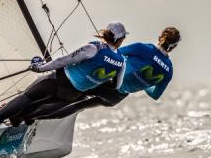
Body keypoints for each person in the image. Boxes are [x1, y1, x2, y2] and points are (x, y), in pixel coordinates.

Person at [0, 21, 129, 128]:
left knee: (28, 97)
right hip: (74, 93)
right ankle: (17, 118)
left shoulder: (94, 47)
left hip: (59, 81)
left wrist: (40, 68)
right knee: (40, 106)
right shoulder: (122, 61)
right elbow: (116, 86)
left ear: (106, 33)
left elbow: (63, 61)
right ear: (120, 40)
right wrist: (94, 81)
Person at [19, 26, 181, 120]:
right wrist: (142, 83)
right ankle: (33, 118)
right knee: (76, 107)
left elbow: (114, 54)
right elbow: (155, 95)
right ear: (174, 47)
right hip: (115, 98)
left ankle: (23, 112)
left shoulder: (143, 48)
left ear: (160, 37)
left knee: (68, 96)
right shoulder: (169, 71)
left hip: (106, 85)